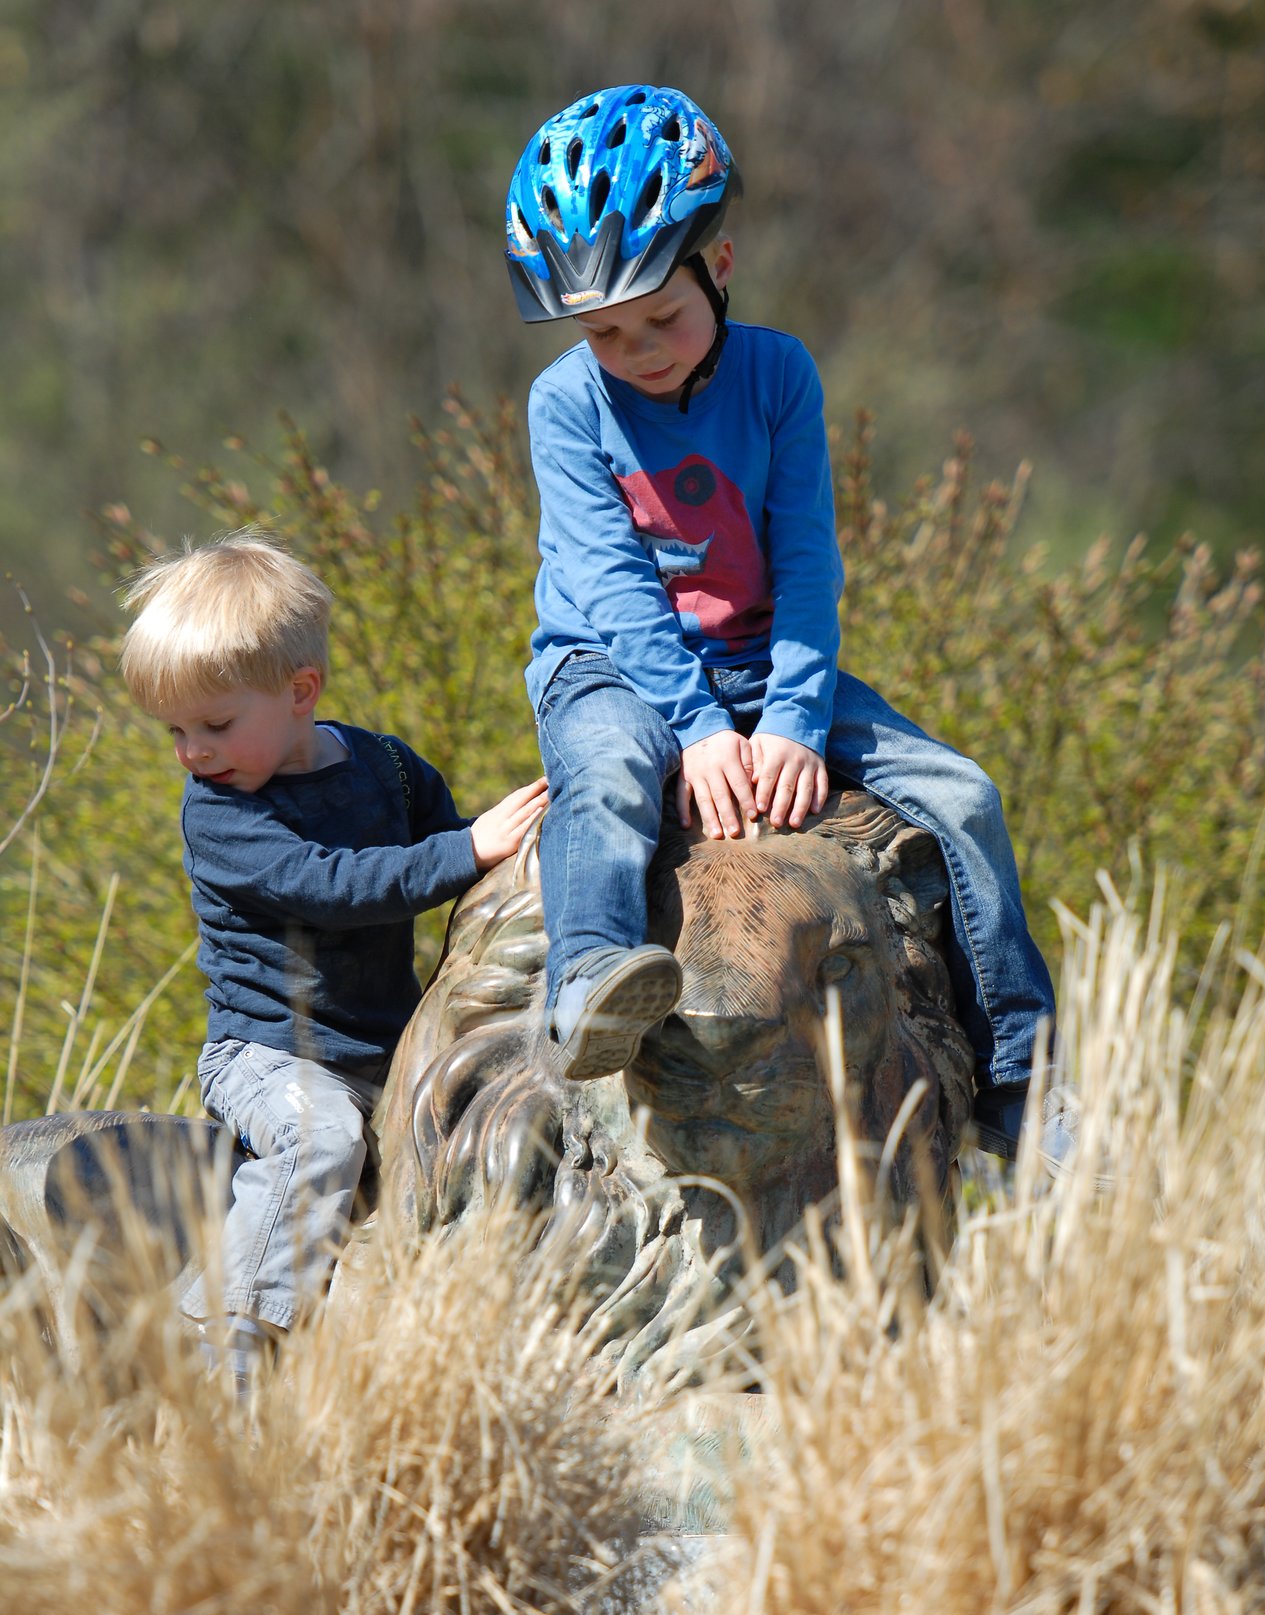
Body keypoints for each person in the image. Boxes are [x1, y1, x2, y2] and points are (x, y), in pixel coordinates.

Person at [504, 82, 1073, 1165]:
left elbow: (807, 561)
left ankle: (1019, 1079)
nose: (638, 350)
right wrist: (699, 729)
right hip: (608, 665)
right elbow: (612, 581)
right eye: (605, 332)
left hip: (767, 661)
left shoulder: (777, 375)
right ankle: (586, 980)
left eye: (660, 318)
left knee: (961, 794)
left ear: (717, 267)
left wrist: (792, 721)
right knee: (610, 774)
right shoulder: (564, 405)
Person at [119, 529, 548, 1380]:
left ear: (300, 690)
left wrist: (514, 854)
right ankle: (223, 1340)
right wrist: (470, 851)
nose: (192, 753)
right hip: (266, 1054)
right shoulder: (220, 817)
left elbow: (448, 856)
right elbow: (334, 885)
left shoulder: (388, 769)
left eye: (214, 724)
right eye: (175, 730)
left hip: (381, 1052)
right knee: (318, 1139)